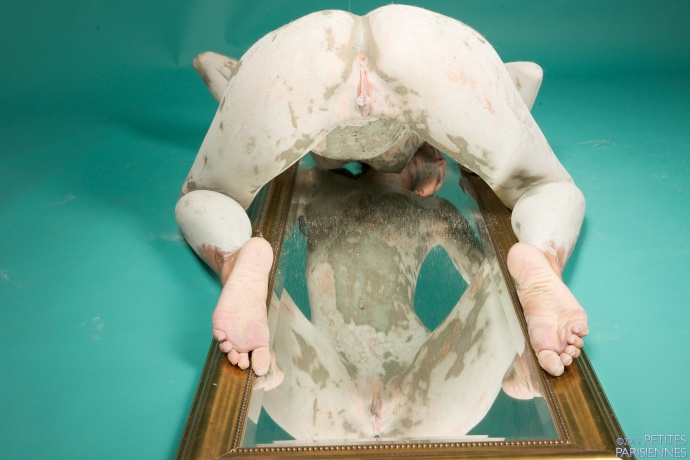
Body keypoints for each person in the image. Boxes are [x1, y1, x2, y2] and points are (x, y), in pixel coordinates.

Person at [175, 5, 587, 379]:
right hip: (428, 49)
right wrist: (499, 114)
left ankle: (236, 258)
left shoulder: (309, 155)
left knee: (208, 196)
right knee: (543, 186)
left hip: (300, 55)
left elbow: (209, 65)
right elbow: (530, 74)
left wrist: (237, 87)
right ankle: (542, 256)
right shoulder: (434, 209)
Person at [250, 152, 544, 440]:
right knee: (251, 264)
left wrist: (478, 186)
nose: (441, 160)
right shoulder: (315, 184)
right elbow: (270, 219)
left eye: (440, 161)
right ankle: (259, 341)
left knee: (509, 269)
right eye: (431, 145)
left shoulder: (433, 211)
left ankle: (523, 351)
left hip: (418, 390)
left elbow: (485, 276)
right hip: (323, 387)